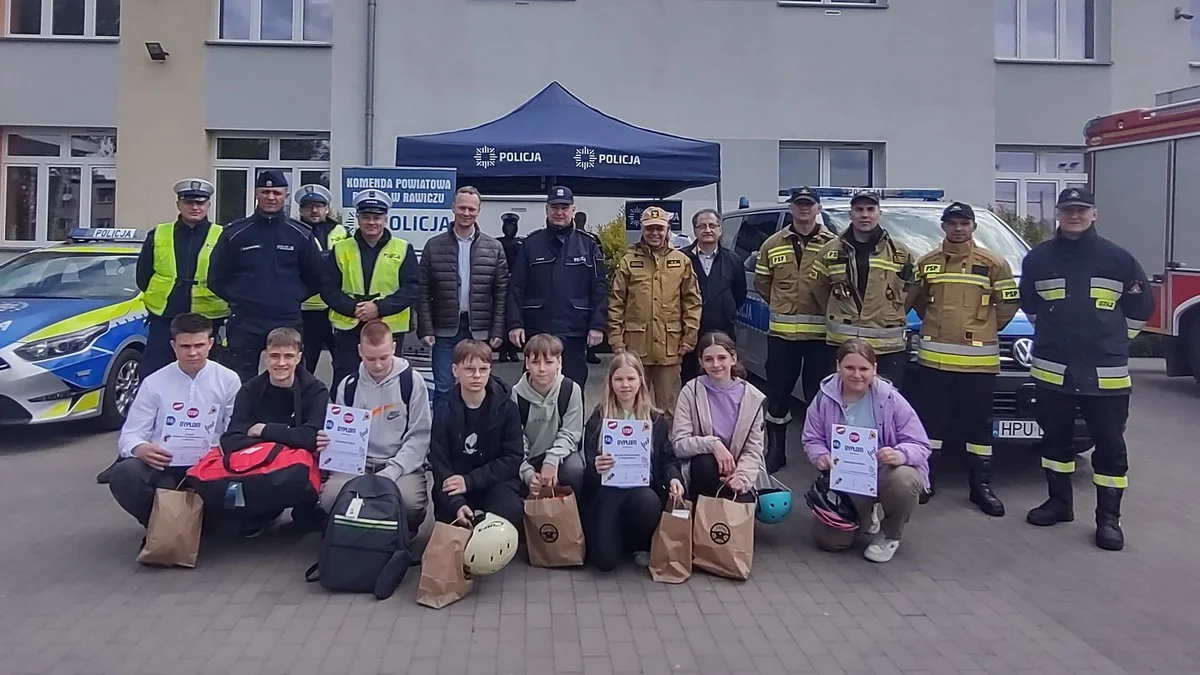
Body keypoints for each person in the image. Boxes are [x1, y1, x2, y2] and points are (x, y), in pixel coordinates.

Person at [1019, 187, 1154, 551]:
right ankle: (1059, 503)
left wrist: (1111, 343)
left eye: (1081, 209)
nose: (1074, 215)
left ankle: (1108, 520)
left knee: (1110, 447)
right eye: (1067, 210)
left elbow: (1142, 308)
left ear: (1094, 213)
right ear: (1058, 215)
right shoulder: (1038, 259)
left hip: (1104, 375)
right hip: (1052, 372)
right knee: (1054, 442)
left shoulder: (1118, 259)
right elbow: (1031, 308)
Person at [908, 201, 1019, 516]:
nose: (958, 228)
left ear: (973, 227)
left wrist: (985, 328)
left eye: (964, 223)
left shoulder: (993, 263)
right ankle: (927, 481)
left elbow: (1008, 304)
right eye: (952, 223)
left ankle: (980, 486)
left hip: (978, 363)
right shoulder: (927, 263)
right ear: (943, 226)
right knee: (931, 424)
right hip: (935, 361)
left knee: (979, 427)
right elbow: (917, 301)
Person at [802, 339, 930, 563]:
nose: (857, 375)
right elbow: (812, 438)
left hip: (885, 473)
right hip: (848, 478)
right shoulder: (824, 398)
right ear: (838, 366)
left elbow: (920, 444)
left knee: (905, 479)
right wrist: (820, 456)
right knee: (829, 542)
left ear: (874, 369)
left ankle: (890, 534)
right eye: (849, 368)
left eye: (864, 369)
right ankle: (866, 516)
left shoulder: (891, 399)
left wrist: (899, 454)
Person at [108, 313, 241, 529]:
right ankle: (159, 527)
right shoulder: (154, 382)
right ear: (173, 345)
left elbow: (233, 429)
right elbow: (130, 434)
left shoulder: (228, 379)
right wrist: (140, 448)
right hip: (164, 464)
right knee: (125, 474)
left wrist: (220, 452)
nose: (193, 352)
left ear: (211, 343)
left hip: (210, 463)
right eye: (185, 346)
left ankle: (204, 526)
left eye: (199, 345)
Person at [208, 169, 324, 383]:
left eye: (277, 193)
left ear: (286, 196)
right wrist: (240, 298)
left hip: (286, 318)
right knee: (238, 379)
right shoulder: (235, 233)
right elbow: (216, 277)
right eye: (266, 191)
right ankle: (240, 417)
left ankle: (289, 416)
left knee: (290, 378)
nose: (271, 197)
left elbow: (316, 277)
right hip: (246, 320)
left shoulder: (300, 234)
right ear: (256, 194)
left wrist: (292, 296)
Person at [319, 321, 431, 538]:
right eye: (370, 358)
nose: (378, 365)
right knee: (329, 500)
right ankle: (353, 532)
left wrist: (392, 470)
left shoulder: (412, 382)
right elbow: (338, 433)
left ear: (393, 348)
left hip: (400, 466)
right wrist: (328, 441)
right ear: (360, 351)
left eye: (383, 357)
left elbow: (419, 436)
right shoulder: (348, 385)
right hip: (356, 465)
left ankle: (403, 531)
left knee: (410, 504)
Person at [755, 187, 839, 473]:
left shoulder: (834, 244)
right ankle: (776, 451)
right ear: (791, 208)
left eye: (809, 204)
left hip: (821, 337)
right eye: (799, 204)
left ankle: (822, 455)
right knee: (778, 396)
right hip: (782, 337)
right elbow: (762, 284)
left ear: (818, 208)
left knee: (821, 396)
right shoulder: (772, 244)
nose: (804, 209)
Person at [220, 327, 330, 535]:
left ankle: (303, 508)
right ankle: (265, 510)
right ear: (265, 356)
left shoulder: (316, 390)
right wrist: (290, 438)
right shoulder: (249, 390)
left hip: (298, 468)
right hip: (259, 467)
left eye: (288, 356)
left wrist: (263, 430)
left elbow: (311, 438)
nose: (281, 363)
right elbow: (231, 440)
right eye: (274, 356)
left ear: (299, 358)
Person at [582, 352, 684, 572]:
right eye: (619, 379)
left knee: (647, 502)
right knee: (604, 563)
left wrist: (675, 478)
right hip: (608, 490)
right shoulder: (599, 417)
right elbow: (588, 469)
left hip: (642, 488)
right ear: (610, 382)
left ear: (641, 381)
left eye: (631, 379)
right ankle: (612, 536)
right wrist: (596, 467)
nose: (625, 385)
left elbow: (668, 459)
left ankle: (637, 543)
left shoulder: (655, 419)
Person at [811, 189, 914, 388]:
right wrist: (836, 311)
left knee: (885, 404)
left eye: (870, 209)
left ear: (879, 214)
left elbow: (913, 288)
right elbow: (818, 288)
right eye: (858, 209)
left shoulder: (900, 252)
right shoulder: (830, 251)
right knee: (843, 401)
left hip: (886, 349)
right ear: (851, 215)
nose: (864, 215)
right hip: (842, 345)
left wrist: (893, 312)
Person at [507, 186, 608, 388]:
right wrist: (515, 324)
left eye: (564, 207)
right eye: (555, 207)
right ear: (546, 210)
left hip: (574, 331)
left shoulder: (588, 244)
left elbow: (599, 288)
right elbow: (516, 287)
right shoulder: (530, 244)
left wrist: (597, 325)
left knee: (573, 387)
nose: (559, 212)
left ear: (573, 210)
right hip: (538, 329)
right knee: (533, 386)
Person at [608, 206, 703, 418]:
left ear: (668, 229)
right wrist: (616, 342)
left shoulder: (681, 261)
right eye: (650, 228)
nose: (655, 233)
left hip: (670, 348)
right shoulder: (628, 261)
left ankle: (665, 449)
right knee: (632, 404)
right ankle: (633, 449)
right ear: (642, 229)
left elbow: (692, 302)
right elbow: (616, 303)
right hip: (634, 349)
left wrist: (689, 338)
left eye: (660, 228)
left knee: (668, 407)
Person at [418, 186, 509, 406]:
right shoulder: (434, 245)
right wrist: (426, 328)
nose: (466, 213)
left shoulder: (494, 247)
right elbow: (422, 291)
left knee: (479, 387)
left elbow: (501, 292)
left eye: (471, 208)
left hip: (480, 329)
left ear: (479, 211)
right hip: (444, 328)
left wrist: (497, 330)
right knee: (443, 387)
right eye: (462, 208)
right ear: (453, 208)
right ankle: (441, 438)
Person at [322, 189, 420, 387]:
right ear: (358, 218)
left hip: (388, 329)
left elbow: (412, 288)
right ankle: (345, 420)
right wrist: (354, 309)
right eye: (366, 217)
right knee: (346, 383)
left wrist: (379, 308)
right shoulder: (341, 248)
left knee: (388, 383)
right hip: (349, 330)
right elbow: (327, 288)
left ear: (385, 218)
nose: (371, 222)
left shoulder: (402, 248)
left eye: (377, 217)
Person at [136, 178, 230, 377]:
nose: (195, 207)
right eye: (189, 202)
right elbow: (143, 276)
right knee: (156, 374)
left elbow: (231, 277)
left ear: (208, 205)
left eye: (200, 203)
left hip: (208, 320)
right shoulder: (159, 234)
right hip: (166, 318)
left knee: (206, 377)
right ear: (178, 204)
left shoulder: (223, 235)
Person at [428, 339, 525, 529]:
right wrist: (457, 502)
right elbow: (439, 461)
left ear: (490, 370)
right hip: (456, 482)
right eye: (469, 369)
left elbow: (513, 457)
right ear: (455, 370)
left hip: (494, 481)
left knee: (509, 511)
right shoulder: (444, 409)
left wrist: (471, 481)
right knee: (451, 520)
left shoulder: (507, 407)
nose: (477, 376)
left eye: (483, 369)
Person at [670, 331, 765, 500]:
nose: (716, 364)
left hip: (736, 469)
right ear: (701, 362)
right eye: (709, 359)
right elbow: (679, 444)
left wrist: (741, 477)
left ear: (733, 359)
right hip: (702, 471)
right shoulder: (690, 392)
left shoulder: (753, 398)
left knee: (744, 500)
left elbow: (753, 450)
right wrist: (713, 444)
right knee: (704, 464)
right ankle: (698, 517)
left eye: (722, 358)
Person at [512, 334, 586, 497]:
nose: (542, 369)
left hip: (560, 456)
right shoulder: (516, 395)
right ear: (526, 363)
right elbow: (515, 440)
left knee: (575, 469)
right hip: (527, 458)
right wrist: (527, 473)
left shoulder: (571, 389)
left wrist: (552, 459)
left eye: (549, 362)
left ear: (559, 362)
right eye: (535, 362)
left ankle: (574, 511)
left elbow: (571, 433)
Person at [681, 209, 747, 384]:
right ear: (694, 230)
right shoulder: (681, 259)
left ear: (720, 229)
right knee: (690, 381)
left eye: (712, 225)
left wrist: (726, 310)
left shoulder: (733, 260)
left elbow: (740, 294)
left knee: (722, 379)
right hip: (689, 334)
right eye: (702, 226)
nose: (707, 230)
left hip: (723, 331)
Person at [295, 184, 349, 374]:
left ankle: (339, 402)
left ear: (327, 208)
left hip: (336, 308)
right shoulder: (293, 231)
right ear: (301, 210)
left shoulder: (342, 233)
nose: (314, 210)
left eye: (319, 205)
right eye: (309, 206)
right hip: (306, 308)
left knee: (343, 362)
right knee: (305, 363)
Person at [576, 211, 603, 366]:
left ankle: (591, 352)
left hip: (587, 288)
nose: (580, 221)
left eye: (582, 219)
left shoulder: (591, 240)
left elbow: (600, 262)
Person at [496, 212, 524, 363]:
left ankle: (513, 350)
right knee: (501, 317)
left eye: (512, 226)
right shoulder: (497, 243)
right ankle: (502, 350)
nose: (509, 229)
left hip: (516, 283)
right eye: (507, 226)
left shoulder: (521, 244)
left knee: (514, 316)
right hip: (500, 282)